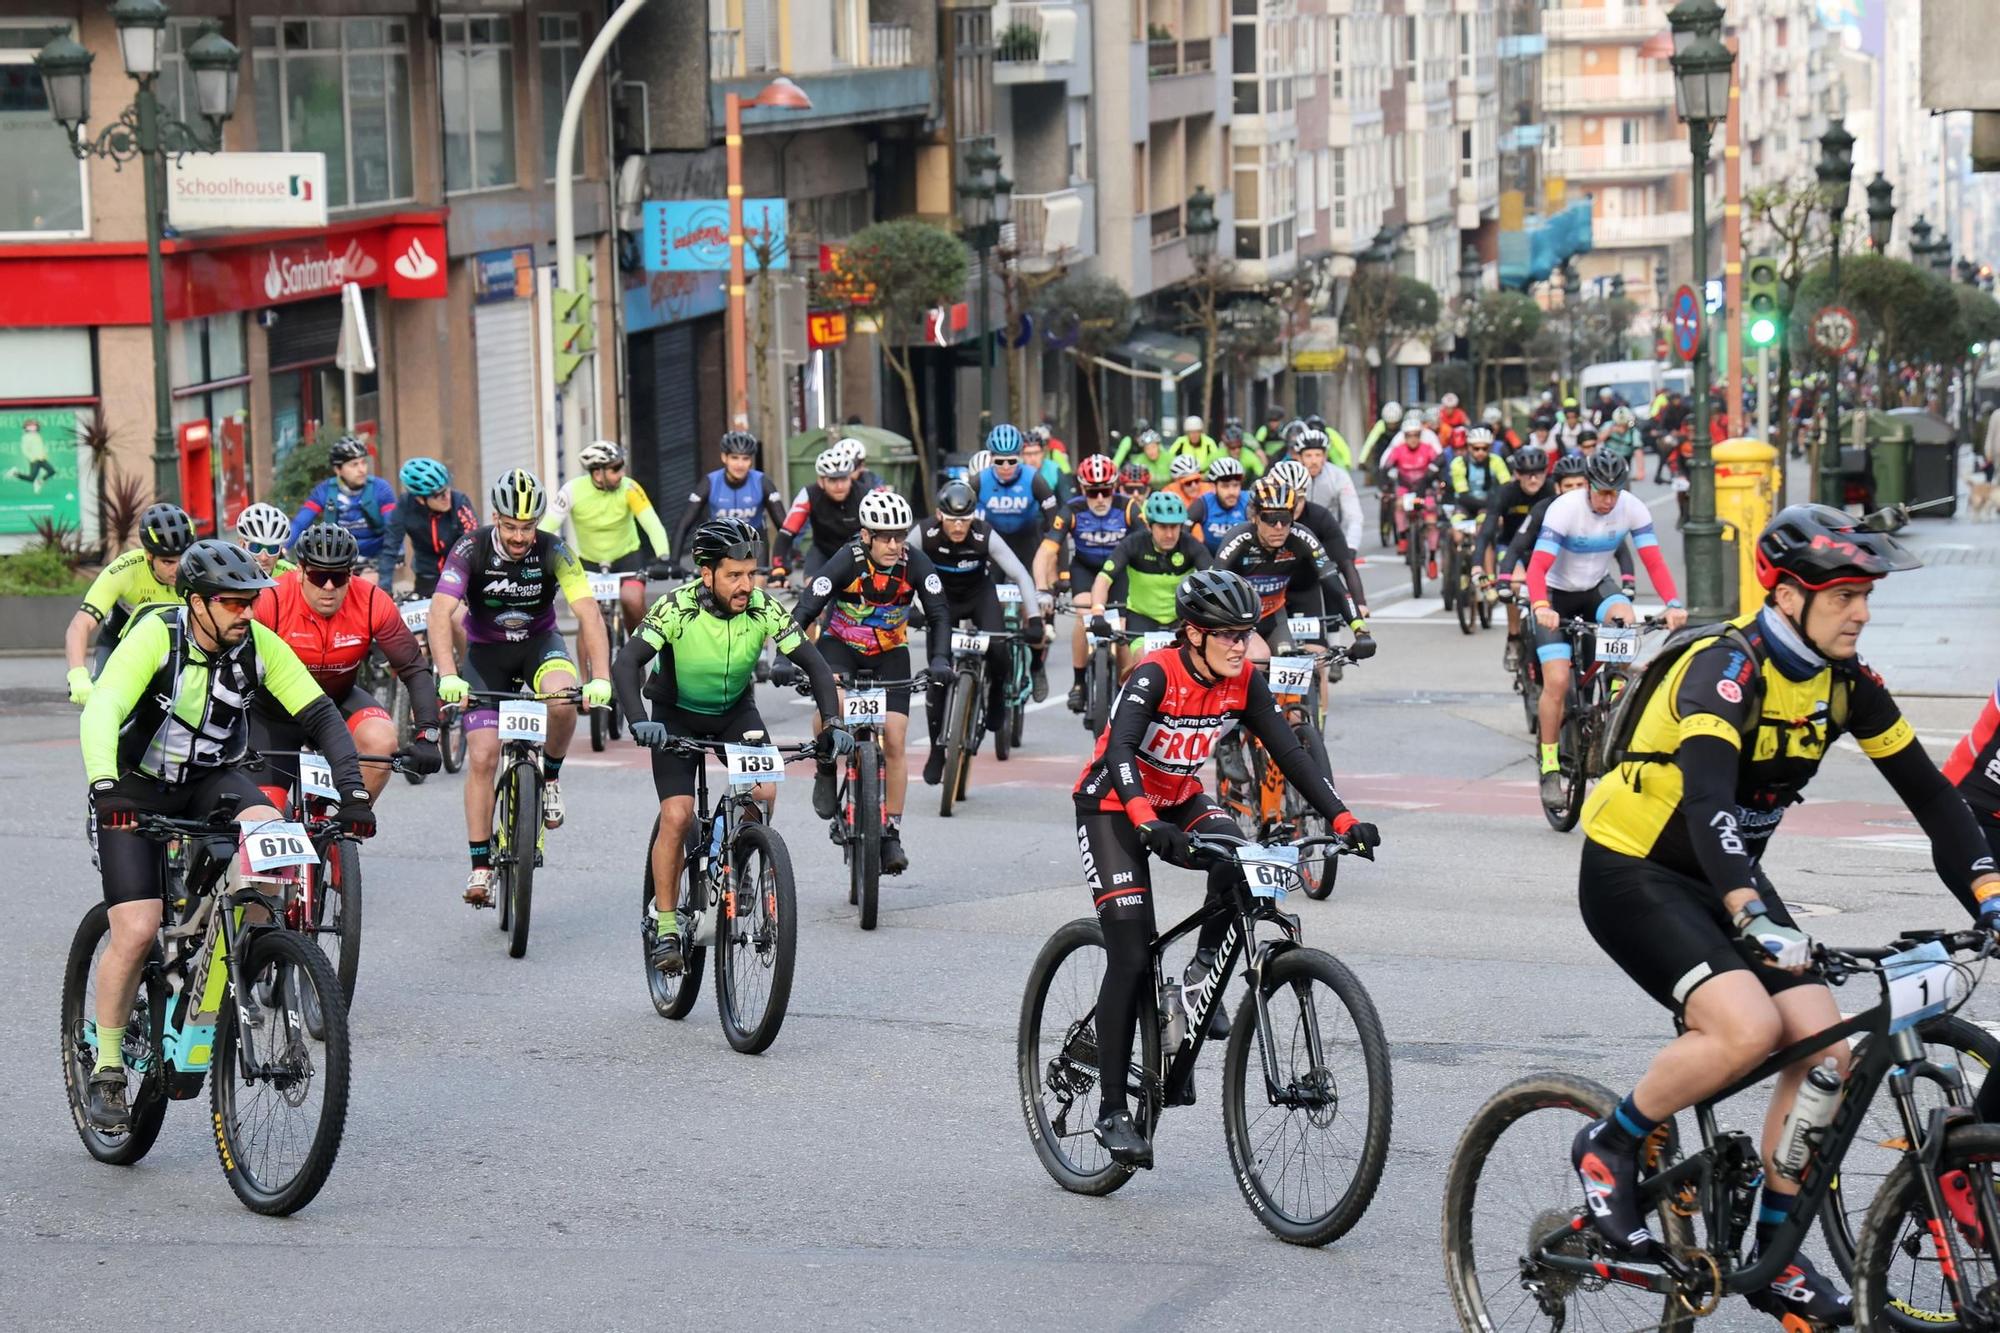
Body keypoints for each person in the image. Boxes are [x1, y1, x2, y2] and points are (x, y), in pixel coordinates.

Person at [1569, 505, 2000, 1327]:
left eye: (1866, 595)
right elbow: (1705, 803)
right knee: (1745, 1029)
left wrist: (1989, 893)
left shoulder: (1846, 683)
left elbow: (1937, 800)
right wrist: (1750, 912)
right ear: (1792, 594)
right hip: (1635, 868)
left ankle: (1774, 1252)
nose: (1862, 612)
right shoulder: (1727, 669)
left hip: (1728, 875)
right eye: (1845, 595)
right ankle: (1612, 1143)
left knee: (1828, 1050)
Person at [1071, 569, 1380, 1165]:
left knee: (1240, 858)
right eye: (1228, 635)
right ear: (1193, 634)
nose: (1242, 645)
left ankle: (1195, 983)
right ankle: (1112, 1111)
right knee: (1131, 954)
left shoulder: (1242, 681)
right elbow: (1120, 750)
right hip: (1114, 801)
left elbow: (1288, 753)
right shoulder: (1156, 672)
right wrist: (1143, 821)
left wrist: (1341, 819)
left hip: (1180, 795)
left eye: (1247, 632)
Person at [78, 539, 372, 1132]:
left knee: (272, 846)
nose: (247, 613)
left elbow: (321, 716)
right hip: (134, 786)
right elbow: (102, 708)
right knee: (135, 929)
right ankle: (108, 1064)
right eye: (234, 604)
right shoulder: (158, 636)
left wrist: (354, 792)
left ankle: (251, 953)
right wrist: (106, 787)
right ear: (197, 603)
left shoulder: (258, 646)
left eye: (251, 603)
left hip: (213, 778)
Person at [614, 517, 849, 974]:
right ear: (707, 574)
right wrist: (640, 722)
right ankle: (665, 924)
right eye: (734, 575)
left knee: (763, 792)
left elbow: (817, 667)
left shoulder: (764, 609)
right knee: (678, 814)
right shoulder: (675, 608)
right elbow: (626, 665)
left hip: (734, 715)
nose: (746, 585)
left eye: (751, 573)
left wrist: (834, 722)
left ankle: (743, 862)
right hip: (674, 716)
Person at [428, 469, 613, 906]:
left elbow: (588, 612)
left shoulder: (554, 550)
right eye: (510, 526)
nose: (518, 536)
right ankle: (479, 866)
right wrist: (447, 673)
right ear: (496, 517)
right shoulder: (470, 548)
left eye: (527, 527)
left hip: (539, 647)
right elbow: (440, 613)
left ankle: (549, 777)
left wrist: (601, 677)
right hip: (485, 656)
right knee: (484, 755)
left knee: (564, 702)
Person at [789, 490, 948, 876]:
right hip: (841, 646)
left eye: (900, 535)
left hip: (891, 652)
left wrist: (940, 658)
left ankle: (890, 831)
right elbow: (808, 607)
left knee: (894, 737)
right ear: (866, 536)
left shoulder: (915, 563)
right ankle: (826, 769)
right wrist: (784, 656)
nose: (894, 545)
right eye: (885, 537)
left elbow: (940, 613)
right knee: (834, 709)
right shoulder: (847, 560)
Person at [1525, 452, 1687, 806]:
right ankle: (1550, 767)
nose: (1609, 500)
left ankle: (1613, 702)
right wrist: (1540, 606)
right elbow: (1536, 568)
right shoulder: (1565, 509)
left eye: (1615, 492)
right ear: (1588, 486)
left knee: (1624, 615)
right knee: (1556, 681)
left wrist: (1673, 604)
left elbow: (1653, 561)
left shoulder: (1632, 508)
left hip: (1596, 587)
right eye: (1602, 492)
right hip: (1556, 594)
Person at [250, 523, 443, 802]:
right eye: (318, 576)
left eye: (338, 577)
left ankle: (343, 828)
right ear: (300, 571)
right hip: (275, 713)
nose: (328, 587)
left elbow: (413, 669)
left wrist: (428, 734)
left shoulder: (372, 600)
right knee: (266, 814)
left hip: (337, 700)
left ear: (351, 574)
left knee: (381, 741)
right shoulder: (271, 599)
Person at [915, 478, 1044, 785]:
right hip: (940, 601)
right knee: (939, 672)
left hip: (978, 597)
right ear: (939, 515)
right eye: (953, 520)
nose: (959, 527)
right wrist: (914, 607)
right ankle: (936, 750)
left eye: (965, 519)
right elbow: (902, 569)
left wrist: (1035, 617)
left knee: (999, 649)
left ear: (974, 516)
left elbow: (1020, 574)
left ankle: (997, 695)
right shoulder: (924, 533)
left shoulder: (984, 534)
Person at [1214, 476, 1365, 658]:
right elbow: (1214, 586)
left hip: (1274, 617)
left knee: (1302, 666)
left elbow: (1334, 585)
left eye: (1285, 518)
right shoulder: (1238, 538)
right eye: (1270, 518)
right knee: (1258, 657)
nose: (1278, 526)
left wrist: (1361, 631)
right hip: (1239, 619)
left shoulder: (1302, 536)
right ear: (1255, 517)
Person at [1039, 456, 1141, 712]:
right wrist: (1043, 587)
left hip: (1119, 573)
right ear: (1083, 489)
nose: (1099, 499)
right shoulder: (1072, 510)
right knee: (1083, 615)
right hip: (1085, 568)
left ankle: (1125, 684)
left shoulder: (1128, 508)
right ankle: (1078, 683)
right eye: (1093, 492)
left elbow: (1146, 545)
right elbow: (1048, 551)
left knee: (1122, 628)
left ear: (1115, 487)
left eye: (1105, 491)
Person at [540, 439, 672, 633]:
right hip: (589, 562)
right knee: (589, 618)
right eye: (615, 469)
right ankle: (588, 665)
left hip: (627, 559)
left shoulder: (630, 488)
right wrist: (534, 555)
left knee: (632, 599)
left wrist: (664, 556)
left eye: (622, 467)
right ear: (597, 472)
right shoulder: (572, 490)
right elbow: (548, 526)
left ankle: (637, 657)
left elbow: (652, 524)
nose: (622, 473)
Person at [66, 502, 191, 699]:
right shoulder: (125, 570)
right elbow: (80, 624)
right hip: (119, 646)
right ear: (149, 556)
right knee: (103, 701)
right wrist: (77, 674)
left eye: (183, 559)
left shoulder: (197, 572)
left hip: (173, 650)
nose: (177, 569)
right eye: (167, 562)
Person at [976, 424, 1061, 698]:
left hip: (1028, 547)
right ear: (990, 458)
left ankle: (1037, 667)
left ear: (1020, 458)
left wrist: (1053, 565)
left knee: (1030, 612)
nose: (1005, 467)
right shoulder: (978, 481)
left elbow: (1054, 523)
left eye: (1011, 461)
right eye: (998, 461)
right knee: (985, 604)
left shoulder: (1034, 479)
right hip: (994, 549)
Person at [1088, 491, 1212, 677]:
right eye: (1163, 527)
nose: (1170, 534)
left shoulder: (1191, 545)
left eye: (1174, 527)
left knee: (1193, 668)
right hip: (1142, 618)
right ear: (1149, 525)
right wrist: (1097, 613)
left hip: (1180, 620)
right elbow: (1103, 579)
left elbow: (1213, 580)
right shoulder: (1133, 544)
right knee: (1143, 664)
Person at [1473, 444, 1550, 670]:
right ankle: (1514, 637)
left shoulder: (1553, 490)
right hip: (1510, 547)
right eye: (1527, 474)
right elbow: (1487, 531)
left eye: (1539, 473)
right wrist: (1477, 565)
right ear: (1517, 474)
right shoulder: (1505, 492)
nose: (1534, 479)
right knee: (1515, 584)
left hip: (1543, 547)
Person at [288, 436, 398, 582]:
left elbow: (393, 526)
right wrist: (282, 546)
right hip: (341, 555)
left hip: (376, 556)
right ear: (338, 469)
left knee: (378, 594)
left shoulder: (380, 488)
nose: (362, 469)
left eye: (364, 463)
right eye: (354, 465)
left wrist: (398, 552)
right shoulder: (324, 491)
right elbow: (300, 523)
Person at [673, 430, 788, 571]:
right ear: (724, 457)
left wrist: (785, 560)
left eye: (745, 459)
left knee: (756, 583)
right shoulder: (710, 482)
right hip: (719, 543)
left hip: (754, 542)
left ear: (751, 460)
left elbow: (785, 526)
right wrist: (673, 562)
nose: (740, 464)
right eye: (735, 458)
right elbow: (684, 523)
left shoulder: (762, 482)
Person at [773, 443, 864, 582]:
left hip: (857, 551)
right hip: (823, 550)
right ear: (821, 481)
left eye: (844, 479)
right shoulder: (808, 495)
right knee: (812, 585)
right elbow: (786, 533)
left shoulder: (865, 494)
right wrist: (778, 568)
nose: (839, 486)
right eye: (832, 480)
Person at [393, 457, 480, 597]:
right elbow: (390, 545)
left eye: (447, 489)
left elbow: (474, 544)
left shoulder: (459, 502)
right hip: (426, 578)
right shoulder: (405, 505)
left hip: (460, 575)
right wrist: (385, 589)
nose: (447, 497)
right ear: (420, 499)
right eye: (438, 495)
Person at [1379, 417, 1444, 573]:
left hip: (1425, 488)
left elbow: (1440, 462)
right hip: (1405, 488)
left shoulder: (1427, 448)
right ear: (1404, 437)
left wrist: (1440, 482)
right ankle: (1402, 537)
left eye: (1416, 435)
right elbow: (1386, 466)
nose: (1413, 439)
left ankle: (1433, 559)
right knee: (1399, 504)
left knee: (1431, 519)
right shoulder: (1398, 450)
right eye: (1409, 436)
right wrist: (1384, 486)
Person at [1292, 427, 1364, 546]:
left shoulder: (1338, 476)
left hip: (1327, 536)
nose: (1314, 461)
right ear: (1299, 458)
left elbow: (1354, 517)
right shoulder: (1289, 474)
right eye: (1308, 455)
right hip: (1295, 536)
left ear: (1325, 457)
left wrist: (1351, 548)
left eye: (1318, 455)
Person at [1190, 456, 1251, 554]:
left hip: (1242, 560)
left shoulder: (1249, 501)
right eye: (1225, 486)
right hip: (1211, 561)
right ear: (1214, 487)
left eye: (1236, 485)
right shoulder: (1203, 503)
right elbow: (1183, 533)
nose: (1232, 492)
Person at [233, 503, 296, 578]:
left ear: (280, 549)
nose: (264, 558)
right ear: (242, 544)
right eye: (256, 547)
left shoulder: (293, 574)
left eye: (272, 549)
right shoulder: (231, 575)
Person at [1020, 429, 1074, 504]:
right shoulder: (1015, 470)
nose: (1033, 458)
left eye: (1036, 453)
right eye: (1028, 454)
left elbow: (1067, 501)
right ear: (1021, 455)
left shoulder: (1054, 469)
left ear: (1042, 453)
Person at [1601, 406, 1645, 481]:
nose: (1621, 428)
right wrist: (1609, 431)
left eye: (1623, 425)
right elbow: (1597, 440)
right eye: (1618, 425)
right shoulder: (1607, 426)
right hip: (1608, 458)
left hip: (1625, 460)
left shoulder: (1633, 432)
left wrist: (1640, 471)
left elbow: (1638, 451)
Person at [1359, 400, 1404, 472]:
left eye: (1394, 424)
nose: (1391, 426)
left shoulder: (1403, 426)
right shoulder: (1380, 425)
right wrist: (1362, 460)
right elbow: (1370, 442)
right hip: (1384, 449)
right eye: (1389, 424)